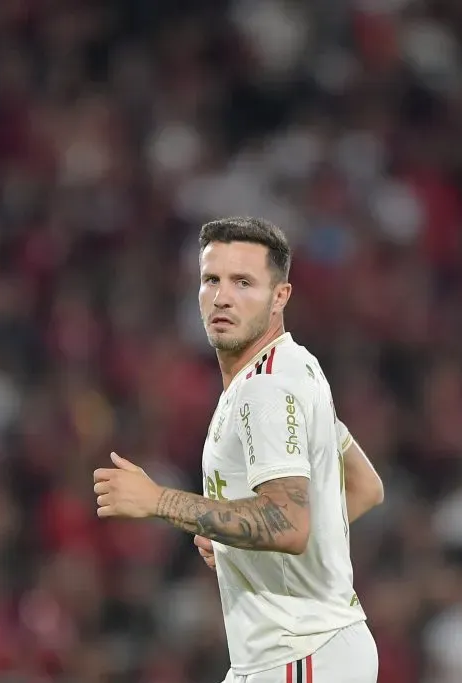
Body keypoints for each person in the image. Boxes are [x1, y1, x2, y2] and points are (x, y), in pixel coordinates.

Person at [93, 217, 384, 683]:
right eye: (212, 280)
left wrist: (158, 501)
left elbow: (287, 523)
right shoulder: (297, 365)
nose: (222, 297)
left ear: (280, 297)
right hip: (300, 654)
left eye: (243, 282)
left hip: (300, 656)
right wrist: (244, 546)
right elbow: (366, 487)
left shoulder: (266, 388)